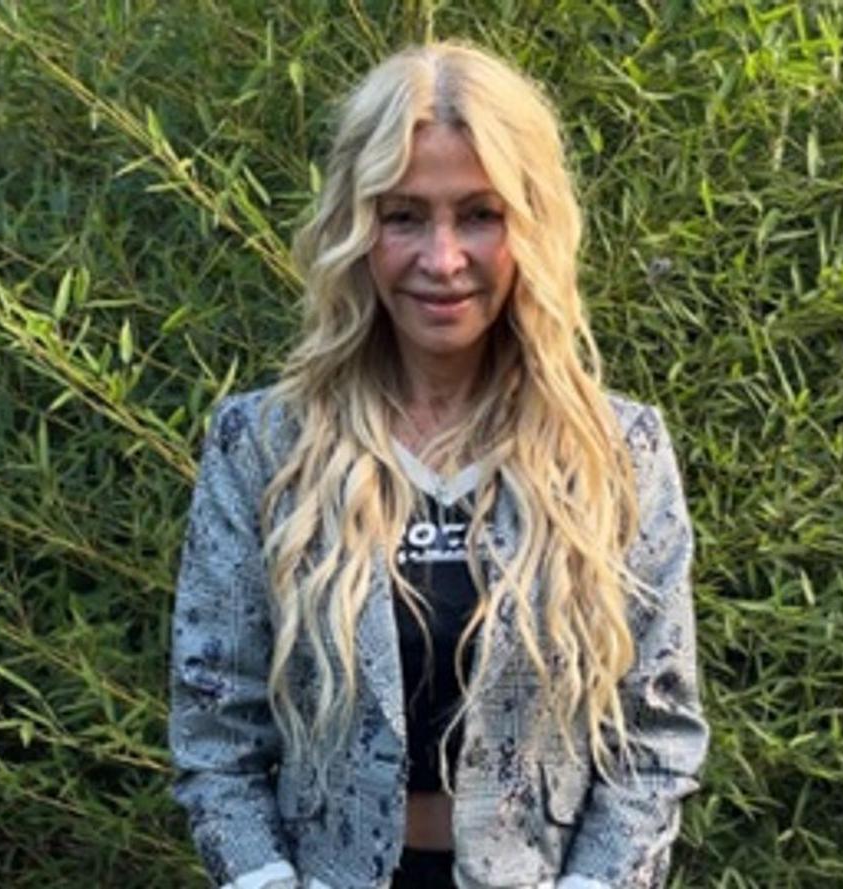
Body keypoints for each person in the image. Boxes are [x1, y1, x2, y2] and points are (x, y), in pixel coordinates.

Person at [169, 41, 708, 889]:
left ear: (530, 225)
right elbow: (215, 729)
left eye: (480, 214)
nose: (443, 258)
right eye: (404, 216)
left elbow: (656, 735)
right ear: (356, 228)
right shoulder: (264, 445)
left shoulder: (615, 452)